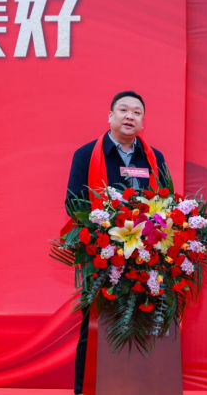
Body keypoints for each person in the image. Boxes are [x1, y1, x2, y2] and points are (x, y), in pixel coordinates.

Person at [65, 90, 170, 395]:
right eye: (123, 110)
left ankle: (138, 387)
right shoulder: (86, 154)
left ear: (143, 121)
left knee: (143, 320)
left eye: (136, 112)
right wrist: (108, 222)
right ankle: (85, 390)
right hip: (102, 251)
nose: (129, 116)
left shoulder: (154, 158)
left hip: (145, 254)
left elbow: (166, 202)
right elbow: (73, 202)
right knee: (95, 324)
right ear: (110, 116)